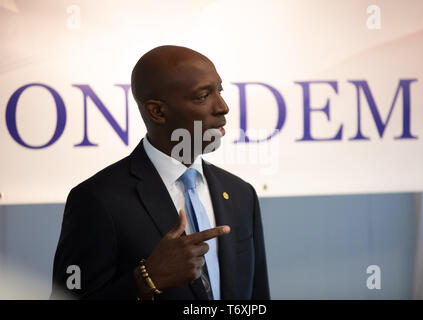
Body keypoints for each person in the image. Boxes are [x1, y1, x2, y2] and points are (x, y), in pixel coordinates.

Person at [51, 45, 270, 300]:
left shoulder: (240, 193)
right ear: (157, 111)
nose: (223, 107)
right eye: (203, 96)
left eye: (219, 91)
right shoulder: (97, 200)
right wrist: (147, 281)